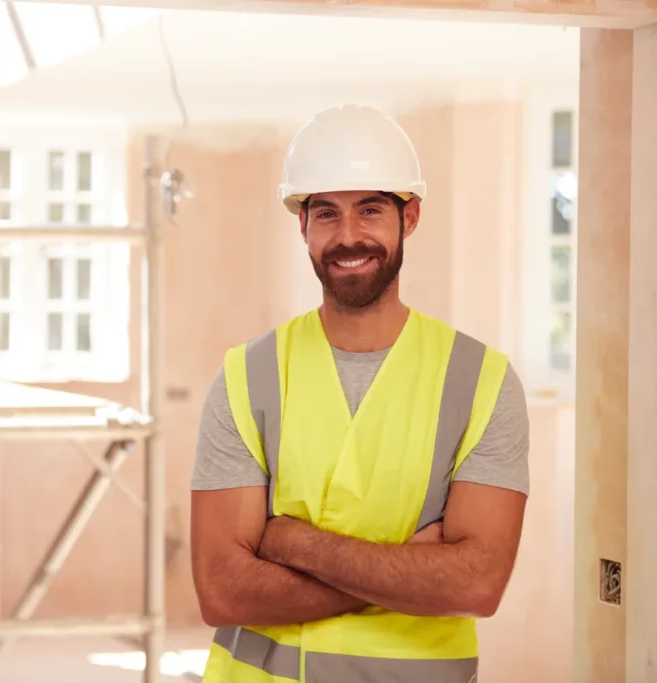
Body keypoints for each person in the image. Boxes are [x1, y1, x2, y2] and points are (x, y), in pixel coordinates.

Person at [189, 104, 530, 682]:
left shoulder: (482, 382)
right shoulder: (247, 375)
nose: (348, 237)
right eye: (326, 214)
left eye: (370, 210)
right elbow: (222, 593)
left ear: (411, 216)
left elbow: (477, 583)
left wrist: (292, 542)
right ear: (302, 226)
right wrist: (410, 573)